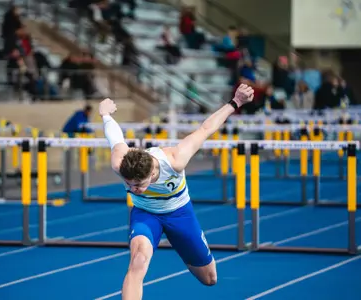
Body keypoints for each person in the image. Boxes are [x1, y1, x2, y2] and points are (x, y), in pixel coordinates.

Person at [99, 83, 254, 299]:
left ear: (152, 174)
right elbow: (114, 137)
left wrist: (235, 102)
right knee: (138, 261)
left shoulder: (175, 159)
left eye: (139, 185)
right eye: (130, 185)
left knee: (210, 279)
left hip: (179, 214)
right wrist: (105, 114)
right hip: (145, 215)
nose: (134, 189)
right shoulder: (120, 162)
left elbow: (205, 129)